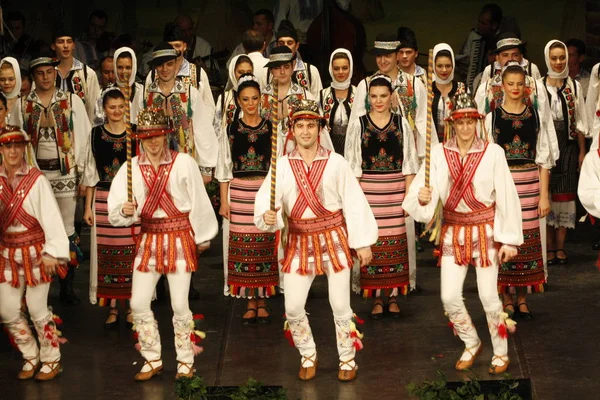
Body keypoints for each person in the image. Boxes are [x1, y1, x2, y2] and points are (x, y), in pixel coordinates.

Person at [254, 99, 378, 381]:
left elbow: (354, 202)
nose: (306, 131)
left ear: (320, 129)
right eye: (300, 125)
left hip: (333, 238)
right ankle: (308, 353)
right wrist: (267, 216)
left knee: (340, 304)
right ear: (292, 130)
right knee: (293, 306)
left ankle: (347, 359)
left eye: (311, 125)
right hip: (299, 240)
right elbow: (266, 202)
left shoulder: (337, 162)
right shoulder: (282, 166)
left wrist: (362, 241)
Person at [403, 88, 523, 375]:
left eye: (470, 121)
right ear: (452, 124)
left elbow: (507, 195)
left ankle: (501, 351)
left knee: (489, 296)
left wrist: (508, 239)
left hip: (485, 230)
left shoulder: (493, 153)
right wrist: (424, 198)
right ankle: (471, 342)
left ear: (477, 122)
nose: (465, 127)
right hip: (453, 230)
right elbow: (421, 194)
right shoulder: (439, 154)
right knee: (448, 297)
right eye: (460, 122)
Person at [108, 107, 218, 381]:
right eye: (147, 136)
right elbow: (119, 207)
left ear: (166, 135)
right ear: (140, 138)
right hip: (148, 240)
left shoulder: (184, 163)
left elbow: (200, 202)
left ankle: (185, 360)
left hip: (179, 237)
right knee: (138, 302)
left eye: (157, 136)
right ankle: (152, 357)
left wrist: (202, 236)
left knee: (180, 304)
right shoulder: (131, 168)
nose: (153, 141)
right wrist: (125, 210)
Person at [10, 54, 92, 306]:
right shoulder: (22, 104)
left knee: (67, 230)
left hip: (65, 172)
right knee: (36, 229)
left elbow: (84, 137)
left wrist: (82, 175)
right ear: (33, 77)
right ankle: (39, 286)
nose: (45, 77)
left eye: (49, 72)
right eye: (40, 73)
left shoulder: (71, 100)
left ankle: (67, 285)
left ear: (55, 73)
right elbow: (13, 140)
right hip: (35, 177)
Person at [485, 63, 558, 319]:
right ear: (501, 86)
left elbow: (543, 158)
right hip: (503, 186)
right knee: (504, 237)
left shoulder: (534, 115)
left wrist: (544, 194)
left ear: (526, 86)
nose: (515, 88)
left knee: (526, 238)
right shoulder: (492, 117)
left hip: (529, 185)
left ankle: (523, 297)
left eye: (519, 84)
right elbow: (486, 161)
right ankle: (506, 296)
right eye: (510, 83)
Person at [0, 125, 70, 381]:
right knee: (6, 309)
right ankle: (30, 353)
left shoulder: (36, 180)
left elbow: (51, 216)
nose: (13, 150)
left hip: (37, 252)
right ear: (1, 149)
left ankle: (51, 358)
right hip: (7, 253)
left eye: (18, 145)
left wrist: (53, 252)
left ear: (25, 148)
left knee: (36, 306)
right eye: (8, 145)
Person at [345, 75, 418, 317]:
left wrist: (408, 196)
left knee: (396, 243)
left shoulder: (401, 123)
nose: (379, 101)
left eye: (383, 96)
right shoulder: (359, 124)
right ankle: (376, 297)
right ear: (368, 99)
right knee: (372, 242)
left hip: (395, 192)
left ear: (391, 97)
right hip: (369, 194)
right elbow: (353, 166)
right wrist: (356, 201)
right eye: (374, 96)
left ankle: (394, 295)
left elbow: (409, 162)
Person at [216, 74, 278, 323]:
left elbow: (277, 165)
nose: (250, 103)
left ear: (261, 99)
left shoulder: (273, 128)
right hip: (239, 192)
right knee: (243, 247)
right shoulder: (230, 129)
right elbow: (223, 167)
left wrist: (276, 198)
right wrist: (224, 200)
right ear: (238, 101)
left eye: (254, 98)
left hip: (265, 192)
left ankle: (262, 300)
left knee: (264, 245)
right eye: (245, 99)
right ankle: (250, 301)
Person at [83, 88, 139, 328]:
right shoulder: (95, 134)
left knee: (130, 252)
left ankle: (131, 306)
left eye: (120, 107)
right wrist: (88, 208)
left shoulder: (135, 133)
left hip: (129, 200)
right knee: (107, 253)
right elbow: (90, 173)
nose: (116, 111)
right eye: (111, 107)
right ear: (104, 109)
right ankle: (113, 307)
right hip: (104, 199)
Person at [540, 40, 589, 265]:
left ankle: (560, 246)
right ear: (547, 59)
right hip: (546, 148)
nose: (559, 62)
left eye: (562, 58)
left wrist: (581, 151)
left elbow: (579, 121)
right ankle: (548, 247)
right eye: (554, 58)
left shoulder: (573, 86)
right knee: (547, 196)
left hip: (567, 147)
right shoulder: (539, 86)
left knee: (565, 197)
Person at [349, 33, 431, 164]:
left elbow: (424, 124)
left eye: (387, 55)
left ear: (397, 56)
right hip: (372, 159)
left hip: (408, 158)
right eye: (379, 56)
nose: (382, 61)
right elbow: (355, 126)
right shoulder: (365, 86)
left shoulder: (415, 84)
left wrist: (425, 159)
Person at [141, 42, 217, 180]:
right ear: (155, 67)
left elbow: (202, 129)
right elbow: (139, 130)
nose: (165, 69)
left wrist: (205, 169)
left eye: (169, 64)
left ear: (176, 63)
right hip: (153, 166)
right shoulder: (146, 94)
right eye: (160, 65)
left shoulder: (190, 93)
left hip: (185, 163)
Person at [261, 46, 332, 156]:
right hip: (267, 157)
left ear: (293, 67)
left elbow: (321, 131)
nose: (282, 71)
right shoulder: (260, 99)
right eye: (277, 67)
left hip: (300, 158)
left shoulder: (306, 97)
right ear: (270, 70)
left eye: (286, 66)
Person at [145, 24, 215, 117]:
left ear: (185, 46)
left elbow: (208, 108)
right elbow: (145, 103)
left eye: (177, 45)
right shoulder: (154, 74)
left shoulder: (197, 73)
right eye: (170, 46)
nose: (174, 50)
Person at [52, 28, 102, 121]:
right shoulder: (46, 73)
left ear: (74, 45)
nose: (66, 45)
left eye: (69, 42)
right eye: (61, 42)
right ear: (53, 46)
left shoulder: (87, 74)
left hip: (81, 130)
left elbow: (95, 108)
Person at [456, 3, 503, 91]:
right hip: (473, 88)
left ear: (494, 25)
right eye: (479, 21)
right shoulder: (474, 37)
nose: (479, 25)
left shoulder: (503, 42)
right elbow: (461, 60)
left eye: (483, 23)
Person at [271, 22, 323, 98]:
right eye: (281, 43)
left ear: (297, 46)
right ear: (276, 45)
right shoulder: (269, 72)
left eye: (289, 43)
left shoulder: (310, 71)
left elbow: (318, 101)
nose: (286, 47)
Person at [318, 49, 355, 155]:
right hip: (328, 146)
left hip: (352, 146)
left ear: (350, 68)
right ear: (331, 69)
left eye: (344, 68)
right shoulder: (322, 95)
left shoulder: (358, 93)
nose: (340, 72)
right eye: (336, 68)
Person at [215, 55, 254, 142]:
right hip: (228, 150)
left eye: (249, 72)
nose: (245, 76)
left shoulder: (259, 98)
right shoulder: (224, 98)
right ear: (233, 73)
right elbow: (217, 129)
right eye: (240, 72)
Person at [431, 44, 462, 142]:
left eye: (448, 66)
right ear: (433, 66)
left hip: (458, 146)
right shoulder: (426, 89)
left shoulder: (462, 89)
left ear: (453, 66)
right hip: (432, 147)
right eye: (439, 66)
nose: (444, 70)